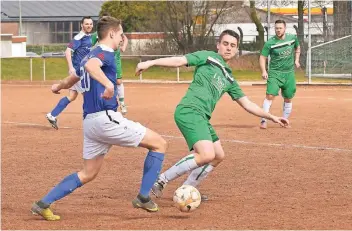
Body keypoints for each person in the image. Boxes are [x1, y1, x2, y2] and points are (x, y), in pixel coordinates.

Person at [31, 16, 167, 221]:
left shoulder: (89, 54)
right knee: (159, 144)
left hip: (90, 123)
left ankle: (43, 203)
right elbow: (92, 68)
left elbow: (74, 76)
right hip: (105, 118)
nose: (122, 37)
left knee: (88, 173)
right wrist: (109, 85)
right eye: (121, 33)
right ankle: (143, 196)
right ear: (112, 33)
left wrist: (59, 86)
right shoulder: (104, 53)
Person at [134, 29, 289, 200]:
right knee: (206, 154)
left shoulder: (229, 78)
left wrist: (271, 116)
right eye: (225, 44)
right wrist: (150, 63)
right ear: (218, 45)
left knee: (218, 156)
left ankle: (187, 189)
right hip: (189, 110)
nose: (228, 48)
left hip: (202, 117)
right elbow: (180, 60)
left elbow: (247, 104)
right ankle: (161, 180)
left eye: (233, 45)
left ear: (236, 50)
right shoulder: (207, 57)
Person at [46, 16, 94, 129]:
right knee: (88, 95)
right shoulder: (79, 37)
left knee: (72, 96)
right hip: (79, 73)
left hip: (81, 71)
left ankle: (52, 115)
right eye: (86, 24)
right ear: (82, 25)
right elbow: (68, 51)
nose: (89, 26)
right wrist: (71, 67)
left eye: (91, 24)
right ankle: (89, 122)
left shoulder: (89, 37)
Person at [259, 19, 301, 129]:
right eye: (276, 28)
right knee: (270, 96)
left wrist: (296, 60)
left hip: (289, 73)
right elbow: (262, 57)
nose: (278, 30)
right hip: (275, 73)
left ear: (285, 28)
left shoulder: (292, 38)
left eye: (280, 28)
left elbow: (297, 47)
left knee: (288, 98)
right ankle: (263, 120)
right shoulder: (270, 43)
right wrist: (264, 71)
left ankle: (284, 120)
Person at [91, 14, 129, 115]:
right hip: (104, 58)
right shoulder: (97, 34)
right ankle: (106, 105)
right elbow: (90, 45)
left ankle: (121, 103)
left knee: (118, 81)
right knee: (107, 81)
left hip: (115, 58)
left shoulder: (117, 30)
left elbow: (125, 39)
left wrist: (123, 47)